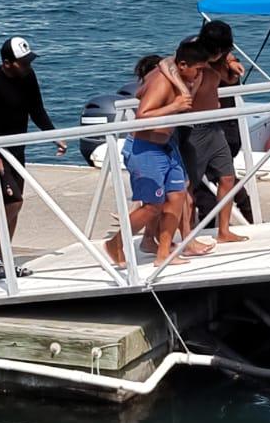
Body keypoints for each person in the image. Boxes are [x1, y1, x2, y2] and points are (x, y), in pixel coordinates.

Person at [106, 38, 211, 267]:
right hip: (145, 149)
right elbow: (142, 116)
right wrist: (174, 106)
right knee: (152, 207)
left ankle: (163, 254)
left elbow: (157, 76)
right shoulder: (162, 82)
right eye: (198, 69)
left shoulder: (177, 75)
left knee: (177, 195)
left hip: (166, 146)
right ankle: (115, 242)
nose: (200, 74)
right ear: (183, 65)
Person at [0, 36, 66, 280]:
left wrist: (53, 135)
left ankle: (3, 257)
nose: (27, 66)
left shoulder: (28, 77)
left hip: (17, 150)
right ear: (7, 63)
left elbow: (37, 109)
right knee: (13, 202)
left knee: (13, 206)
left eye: (28, 62)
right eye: (22, 63)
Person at [178, 22, 248, 244]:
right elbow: (168, 65)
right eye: (219, 49)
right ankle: (188, 237)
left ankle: (224, 230)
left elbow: (229, 78)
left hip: (214, 125)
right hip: (193, 127)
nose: (221, 53)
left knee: (227, 177)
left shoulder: (220, 57)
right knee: (189, 185)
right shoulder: (192, 53)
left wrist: (231, 61)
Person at [192, 20, 257, 230]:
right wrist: (230, 59)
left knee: (204, 184)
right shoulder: (227, 67)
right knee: (223, 176)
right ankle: (245, 214)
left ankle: (209, 228)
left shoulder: (204, 67)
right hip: (231, 129)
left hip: (209, 130)